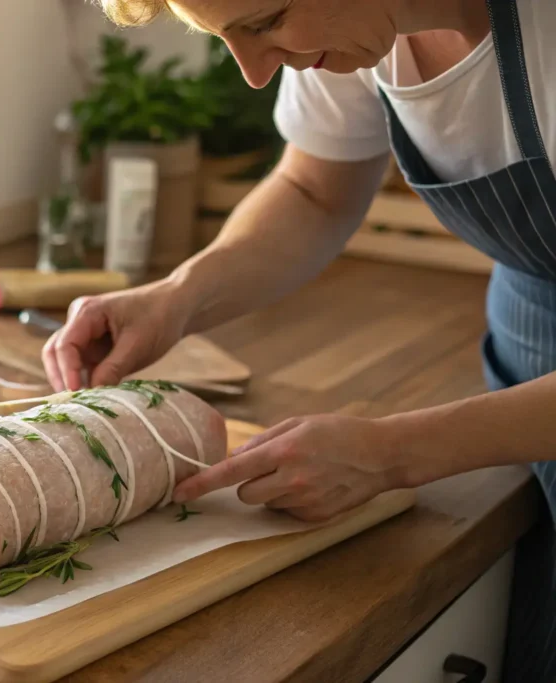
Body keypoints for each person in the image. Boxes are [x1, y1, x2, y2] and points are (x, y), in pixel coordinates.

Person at [45, 0, 556, 679]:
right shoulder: (347, 28)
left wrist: (390, 453)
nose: (255, 73)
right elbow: (315, 190)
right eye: (225, 39)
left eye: (263, 22)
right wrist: (177, 297)